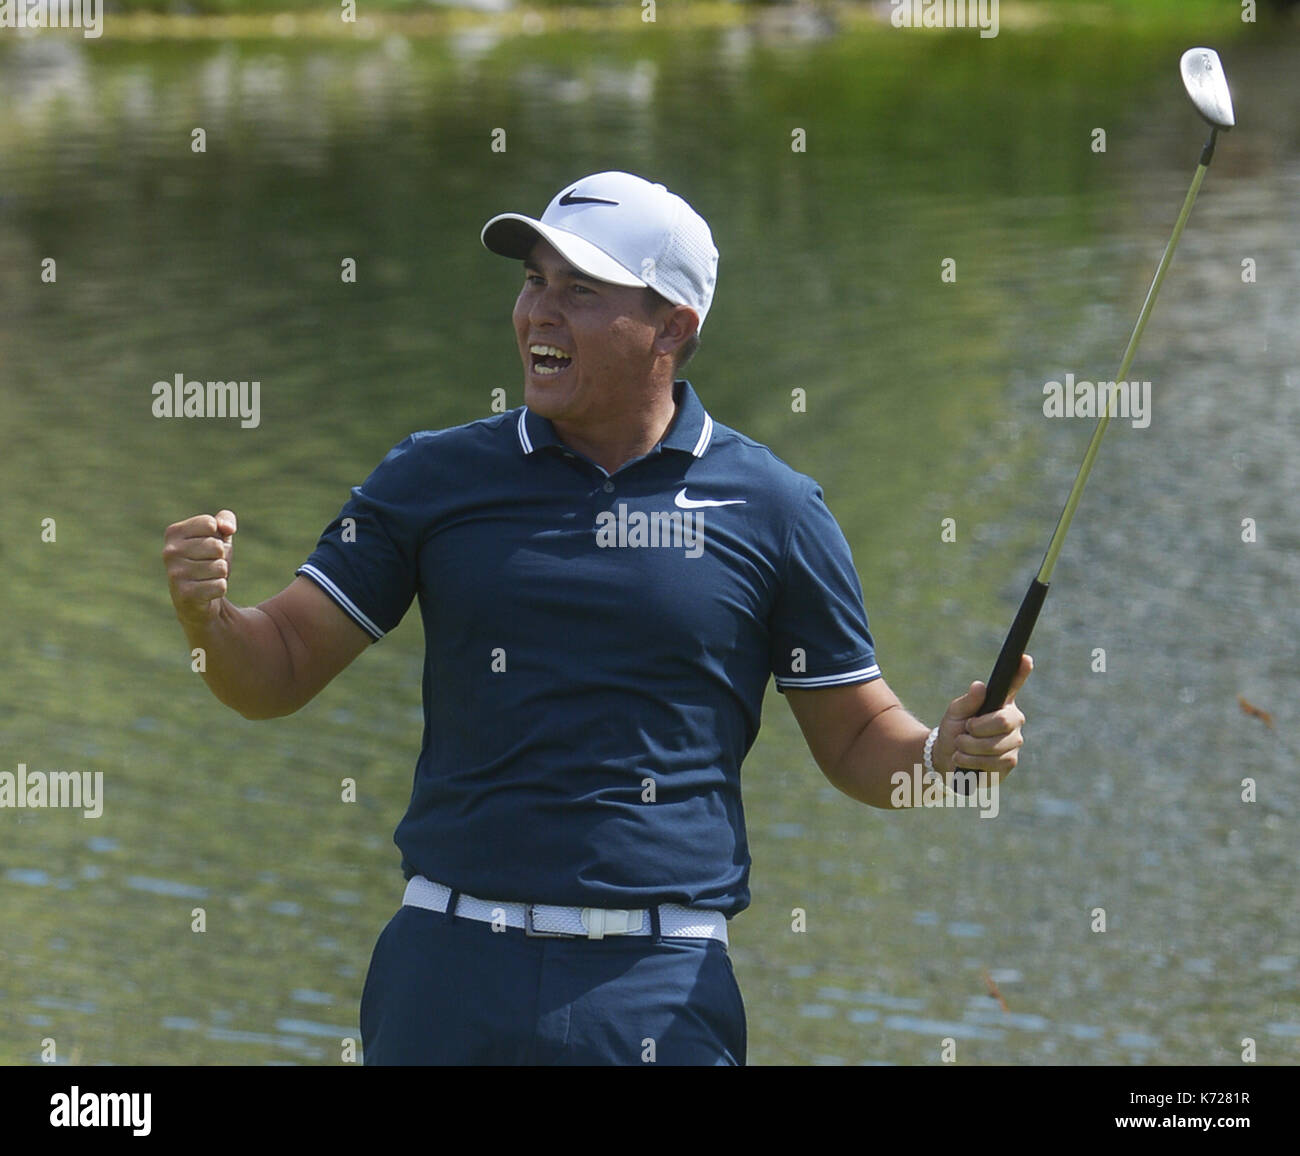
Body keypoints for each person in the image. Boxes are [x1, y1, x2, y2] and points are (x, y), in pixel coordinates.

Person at [162, 171, 1031, 1066]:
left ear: (673, 325)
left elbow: (858, 744)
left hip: (658, 988)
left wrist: (945, 758)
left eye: (580, 289)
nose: (540, 311)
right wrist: (210, 619)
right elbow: (276, 672)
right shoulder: (433, 479)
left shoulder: (775, 508)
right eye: (534, 281)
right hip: (446, 976)